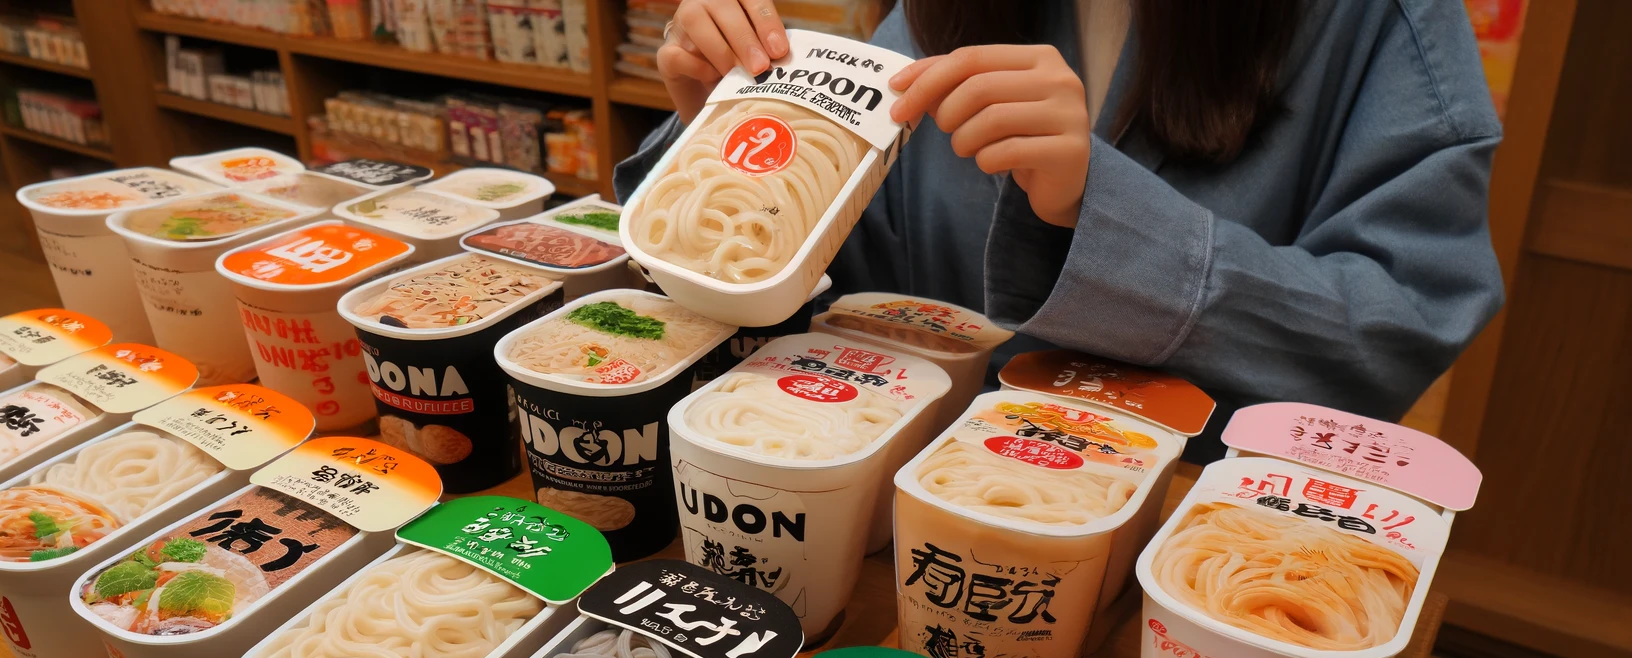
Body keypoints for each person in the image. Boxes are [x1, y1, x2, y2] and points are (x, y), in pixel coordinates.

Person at [614, 0, 1505, 457]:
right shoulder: (941, 8)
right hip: (899, 486)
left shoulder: (1378, 23)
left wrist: (1101, 212)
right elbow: (858, 278)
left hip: (1174, 547)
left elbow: (1401, 322)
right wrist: (730, 146)